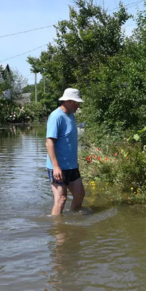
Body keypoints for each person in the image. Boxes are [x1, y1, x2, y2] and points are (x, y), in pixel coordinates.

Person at [46, 88, 85, 216]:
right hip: (58, 167)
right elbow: (49, 142)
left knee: (79, 195)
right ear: (67, 101)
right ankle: (58, 230)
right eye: (76, 102)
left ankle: (72, 221)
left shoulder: (71, 115)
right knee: (61, 199)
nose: (78, 105)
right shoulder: (56, 116)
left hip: (71, 166)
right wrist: (56, 167)